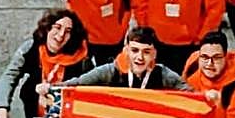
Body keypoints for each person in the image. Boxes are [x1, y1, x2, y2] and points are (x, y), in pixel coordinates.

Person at [0, 9, 90, 118]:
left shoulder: (82, 56)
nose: (61, 35)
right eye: (57, 27)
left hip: (69, 114)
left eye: (68, 31)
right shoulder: (30, 47)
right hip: (34, 111)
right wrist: (2, 107)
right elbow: (10, 75)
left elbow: (91, 85)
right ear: (47, 28)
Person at [52, 26, 192, 92]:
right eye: (134, 51)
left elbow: (190, 94)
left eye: (146, 52)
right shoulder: (110, 71)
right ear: (126, 50)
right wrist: (50, 88)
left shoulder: (163, 74)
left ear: (154, 54)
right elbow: (76, 84)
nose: (140, 57)